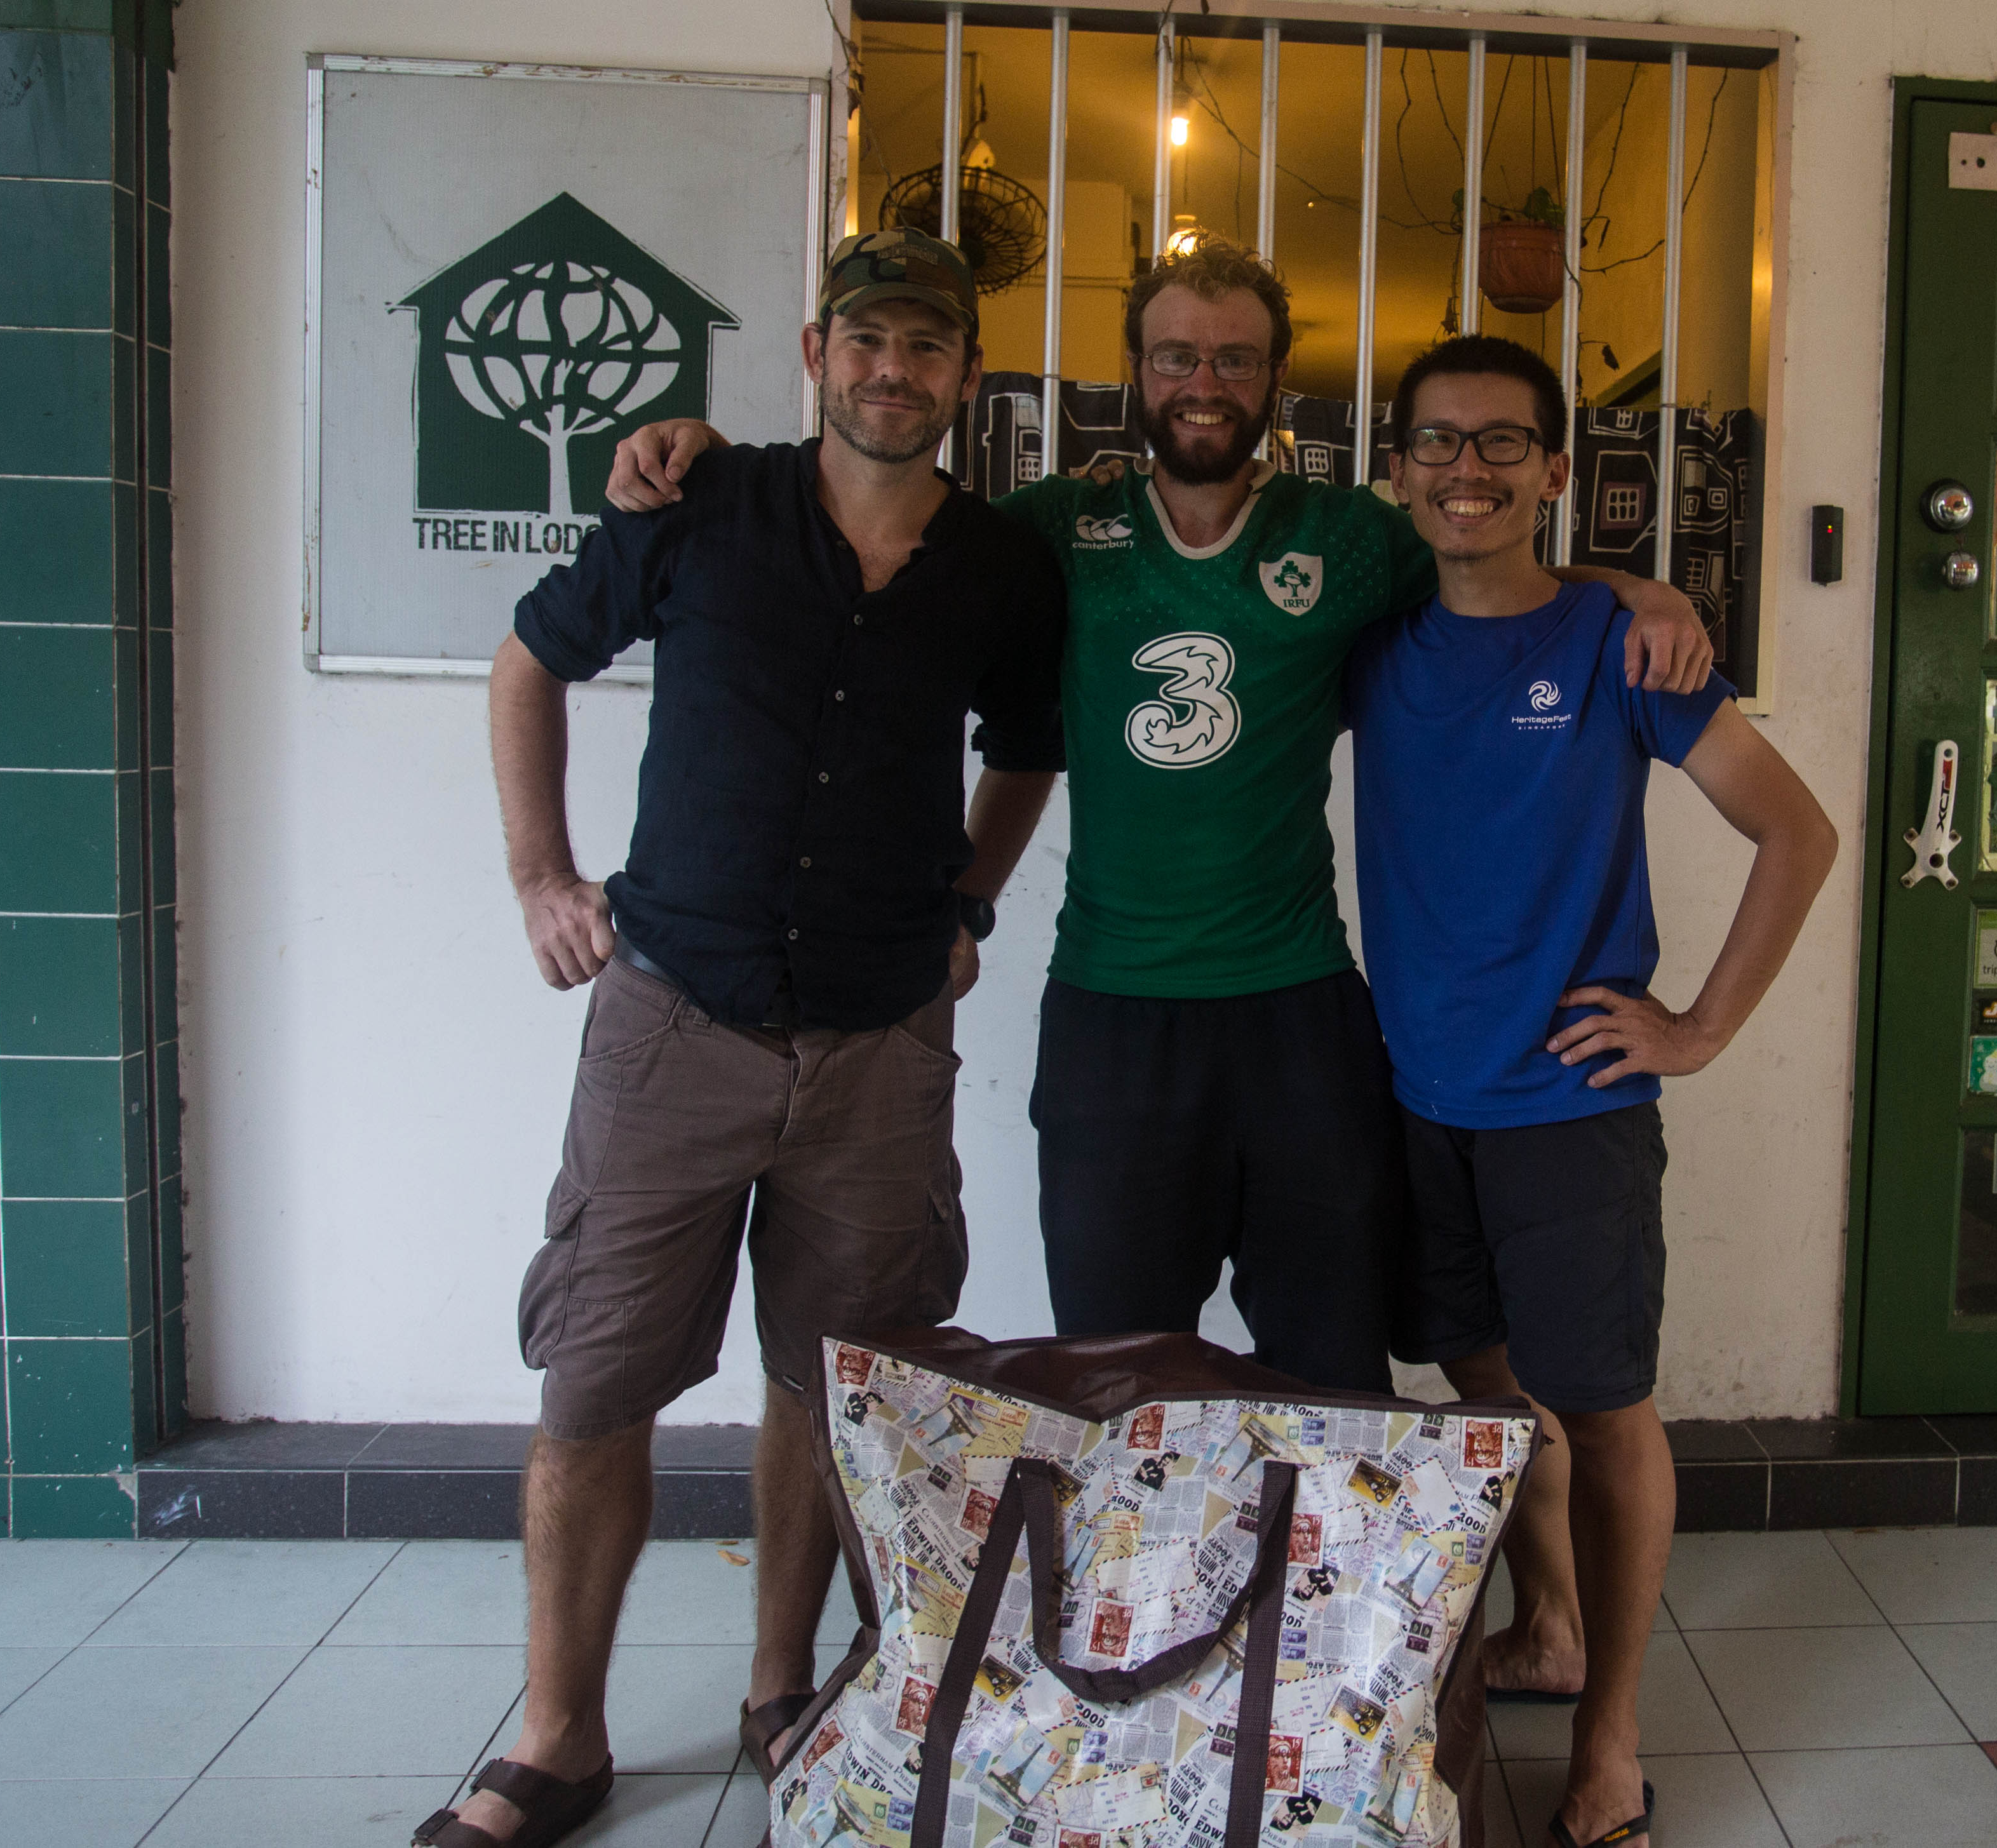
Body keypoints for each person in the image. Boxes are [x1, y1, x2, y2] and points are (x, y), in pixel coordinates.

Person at [607, 239, 1713, 1398]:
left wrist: (1641, 588)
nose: (1205, 382)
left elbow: (1495, 564)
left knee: (1329, 1371)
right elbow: (877, 508)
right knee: (1119, 1372)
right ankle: (1146, 1591)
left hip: (1298, 1017)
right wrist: (728, 464)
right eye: (1177, 354)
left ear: (1276, 380)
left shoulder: (1350, 539)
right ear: (1134, 371)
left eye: (1236, 359)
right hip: (1113, 1022)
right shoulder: (1048, 531)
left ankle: (1309, 1588)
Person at [419, 230, 1065, 1848]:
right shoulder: (695, 503)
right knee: (595, 1379)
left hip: (878, 1040)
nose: (892, 372)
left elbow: (1029, 754)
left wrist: (964, 911)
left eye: (926, 349)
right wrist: (538, 878)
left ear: (964, 380)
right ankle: (558, 1739)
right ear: (813, 350)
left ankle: (784, 1688)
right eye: (866, 340)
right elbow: (529, 658)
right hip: (674, 1018)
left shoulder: (1001, 567)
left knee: (830, 1381)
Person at [1345, 336, 1837, 1848]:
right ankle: (1546, 1623)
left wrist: (1696, 1027)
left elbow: (1798, 836)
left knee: (1605, 1412)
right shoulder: (1366, 637)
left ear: (1557, 472)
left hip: (1570, 1106)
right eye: (1437, 443)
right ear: (1400, 471)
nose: (1467, 469)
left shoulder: (1627, 650)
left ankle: (1610, 1729)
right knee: (1482, 1384)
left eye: (1502, 444)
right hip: (1414, 1097)